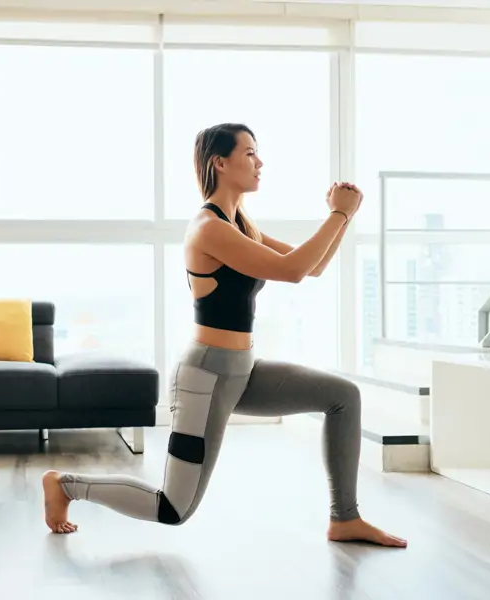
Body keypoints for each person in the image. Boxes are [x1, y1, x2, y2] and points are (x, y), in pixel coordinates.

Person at [42, 122, 407, 548]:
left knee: (343, 396)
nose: (260, 162)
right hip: (206, 376)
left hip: (243, 369)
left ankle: (345, 519)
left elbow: (313, 266)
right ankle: (66, 485)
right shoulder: (209, 228)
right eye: (250, 153)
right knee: (173, 508)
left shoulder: (240, 225)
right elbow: (292, 272)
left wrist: (344, 217)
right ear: (220, 162)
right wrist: (338, 213)